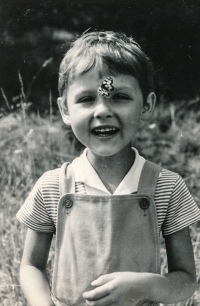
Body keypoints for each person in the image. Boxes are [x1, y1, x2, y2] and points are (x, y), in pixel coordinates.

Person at [17, 31, 200, 306]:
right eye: (87, 99)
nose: (102, 110)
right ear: (65, 110)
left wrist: (148, 286)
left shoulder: (166, 187)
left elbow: (186, 281)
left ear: (146, 105)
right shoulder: (52, 186)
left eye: (120, 96)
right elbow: (30, 266)